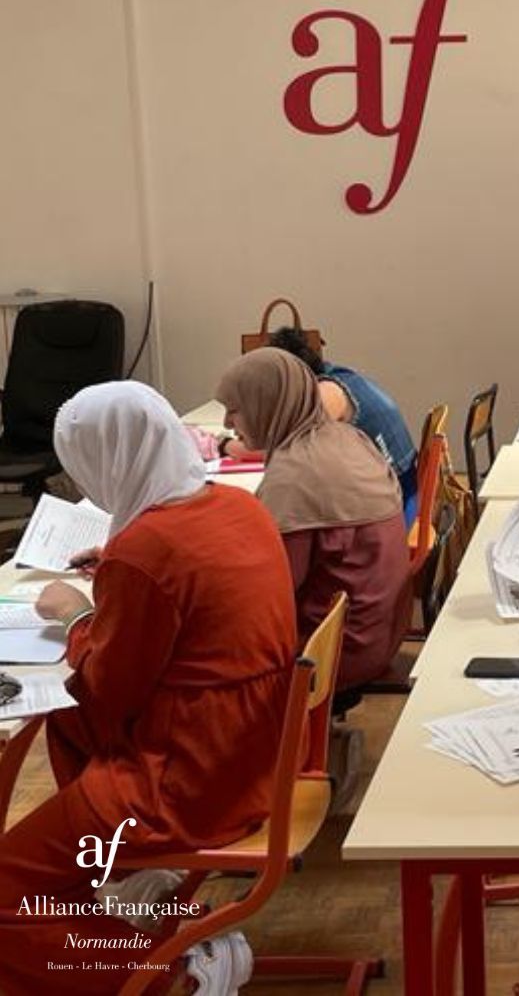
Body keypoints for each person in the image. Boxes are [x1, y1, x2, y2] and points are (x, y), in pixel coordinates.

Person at [0, 382, 297, 996]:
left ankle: (175, 974)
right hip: (251, 760)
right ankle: (131, 903)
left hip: (178, 783)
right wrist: (117, 568)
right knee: (67, 734)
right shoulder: (238, 508)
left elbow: (108, 689)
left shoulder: (146, 550)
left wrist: (79, 616)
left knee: (7, 892)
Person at [217, 348, 409, 709]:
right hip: (377, 636)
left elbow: (268, 594)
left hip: (334, 655)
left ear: (265, 405)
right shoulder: (349, 438)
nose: (227, 424)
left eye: (234, 410)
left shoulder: (296, 475)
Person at [220, 327, 419, 527]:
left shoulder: (327, 395)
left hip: (398, 502)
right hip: (393, 491)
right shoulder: (337, 375)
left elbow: (288, 445)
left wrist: (224, 445)